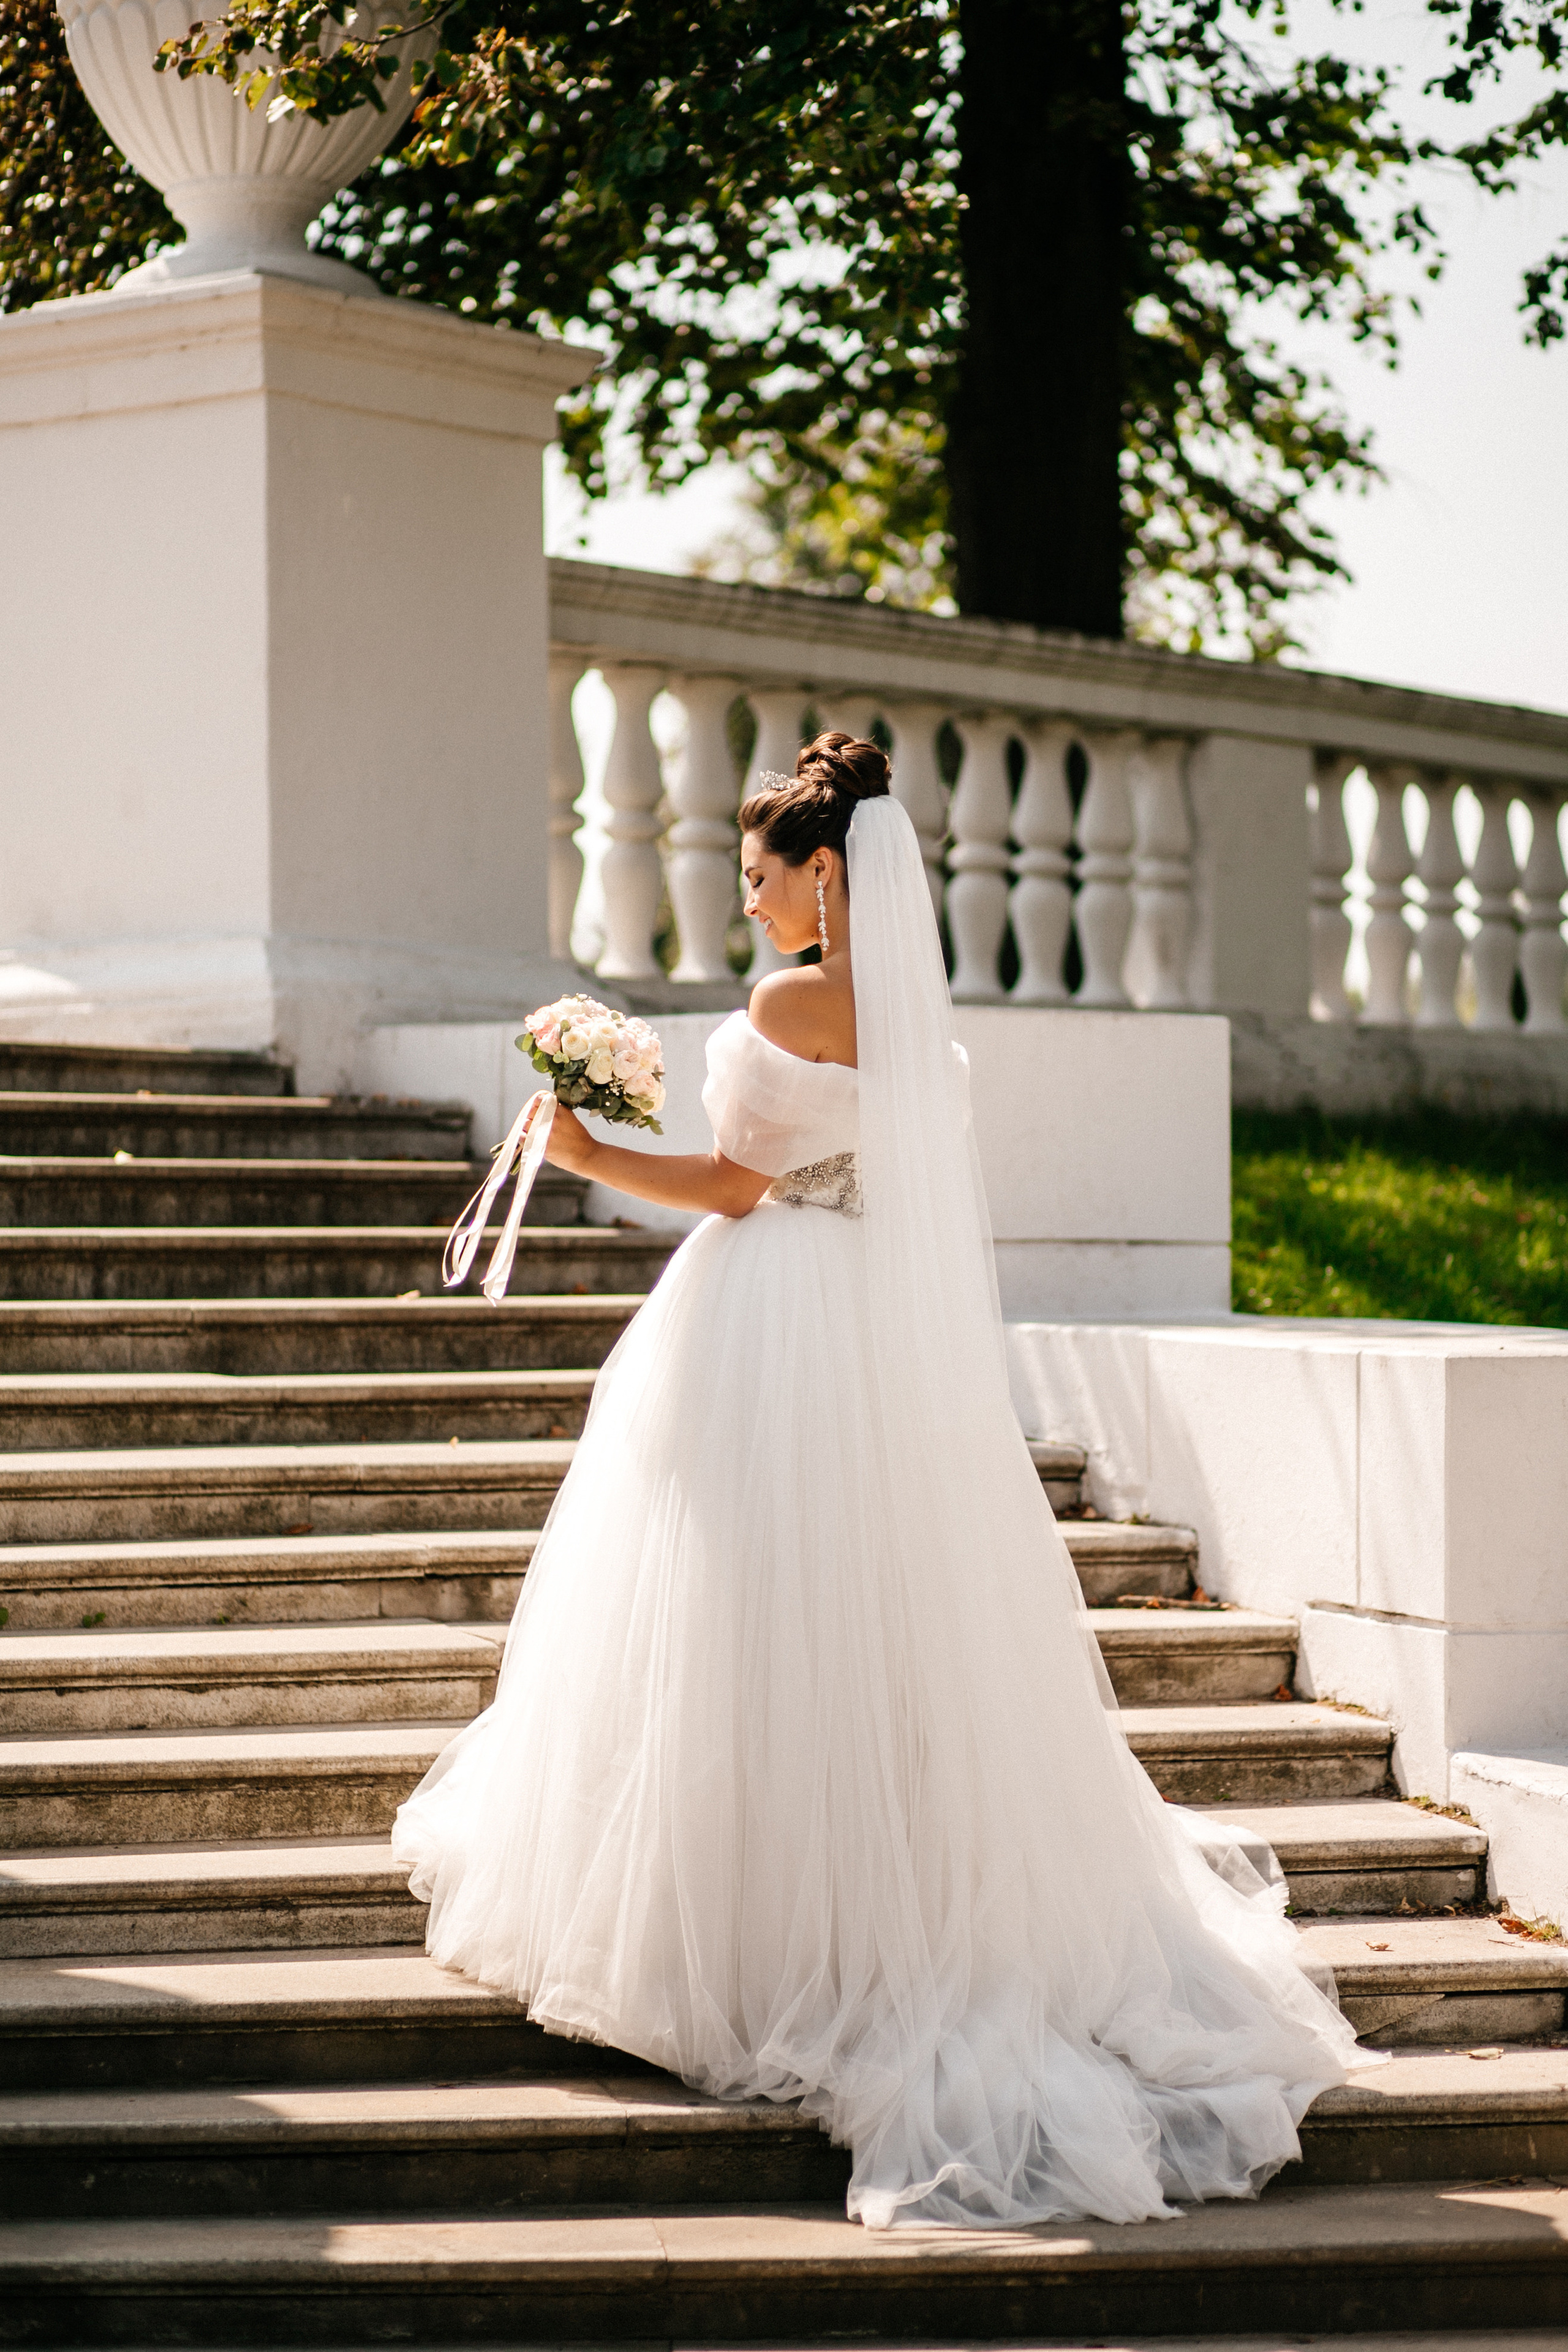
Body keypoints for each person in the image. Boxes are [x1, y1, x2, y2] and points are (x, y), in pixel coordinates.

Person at [391, 733, 1368, 2231]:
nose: (747, 896)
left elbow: (730, 1186)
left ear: (824, 870)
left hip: (771, 1315)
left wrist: (585, 1141)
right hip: (875, 1342)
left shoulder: (790, 1001)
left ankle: (754, 1942)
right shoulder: (916, 1024)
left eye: (760, 870)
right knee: (874, 1632)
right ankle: (879, 1911)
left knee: (740, 1619)